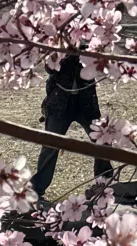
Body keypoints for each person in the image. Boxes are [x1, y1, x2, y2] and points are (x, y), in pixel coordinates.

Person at [31, 51, 113, 200]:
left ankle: (105, 183)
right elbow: (50, 68)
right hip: (59, 102)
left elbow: (97, 66)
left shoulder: (91, 41)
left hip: (86, 103)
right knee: (50, 145)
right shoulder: (59, 42)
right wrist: (64, 53)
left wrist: (84, 53)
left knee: (102, 140)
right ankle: (36, 189)